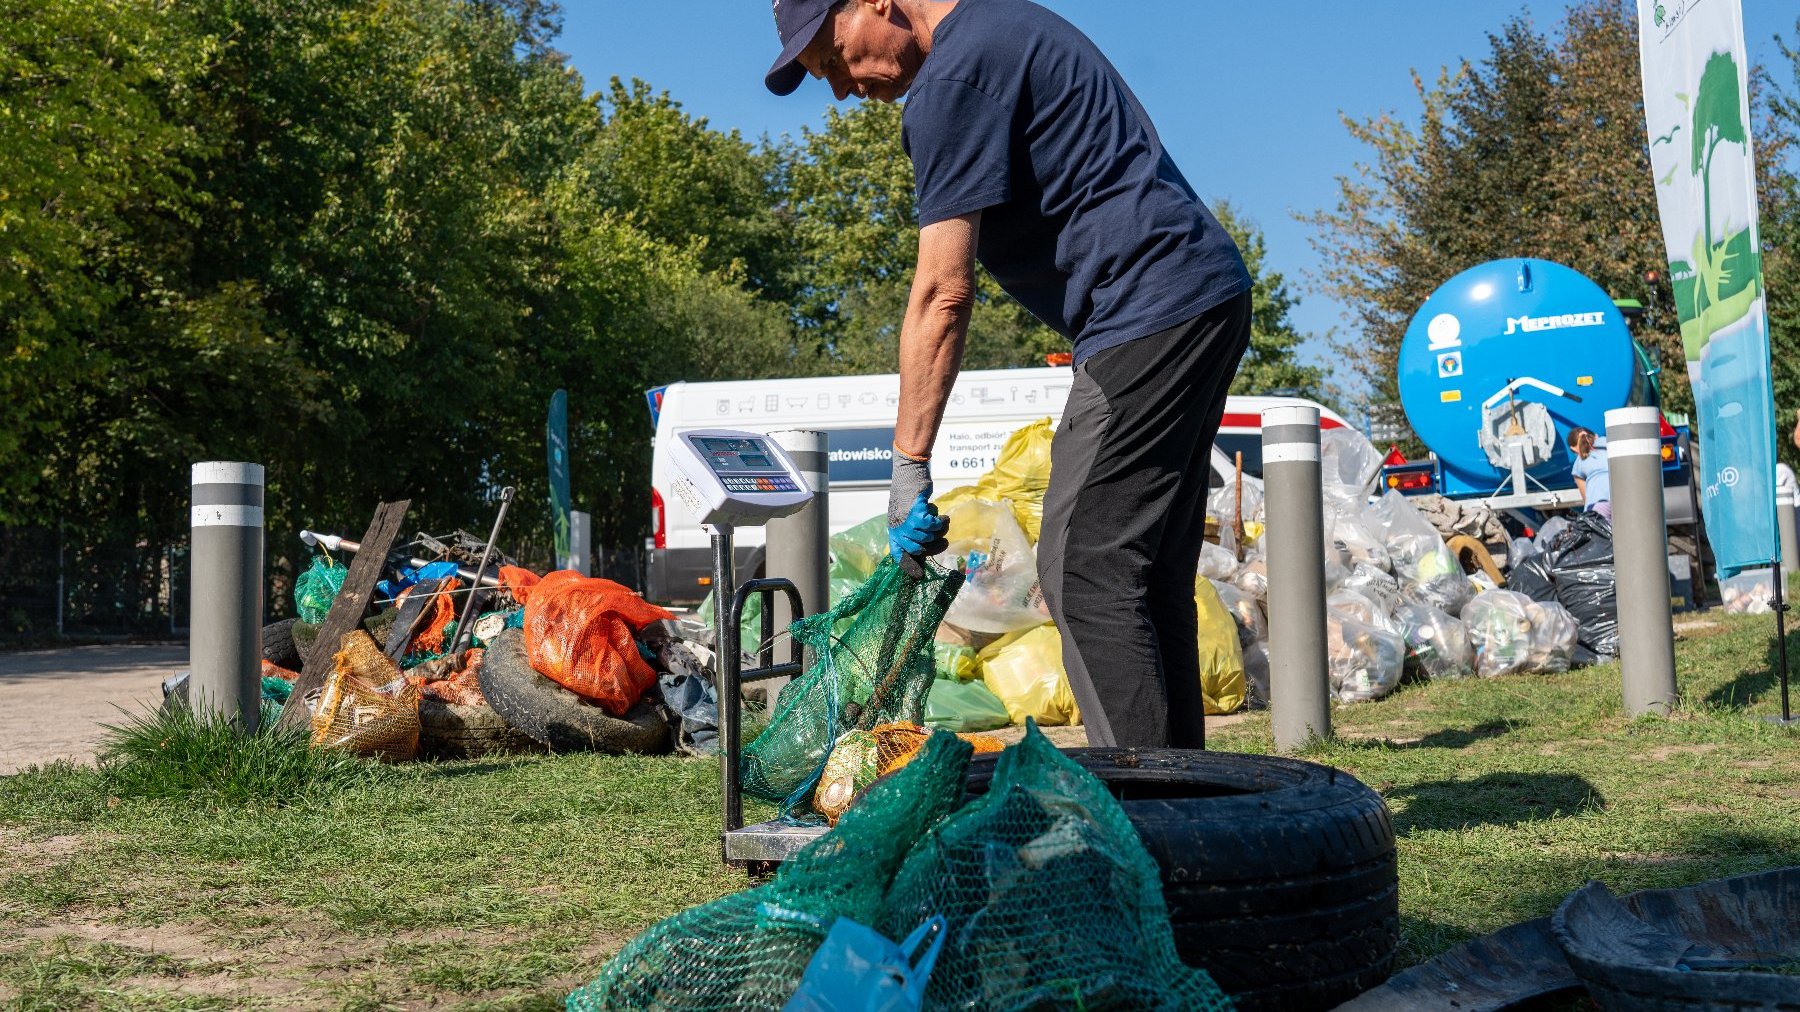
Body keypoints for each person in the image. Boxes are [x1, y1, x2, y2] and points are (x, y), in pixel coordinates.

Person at [765, 0, 1252, 748]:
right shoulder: (999, 30)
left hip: (1147, 307)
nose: (838, 88)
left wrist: (907, 465)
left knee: (1084, 566)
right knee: (1143, 574)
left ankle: (1150, 818)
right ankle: (1186, 803)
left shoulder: (953, 79)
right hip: (1195, 294)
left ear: (872, 3)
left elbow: (941, 293)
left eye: (833, 57)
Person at [1567, 426, 1611, 522]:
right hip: (1625, 499)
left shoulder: (1579, 463)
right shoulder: (1612, 444)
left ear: (1574, 449)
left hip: (1598, 508)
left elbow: (1586, 498)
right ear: (1596, 436)